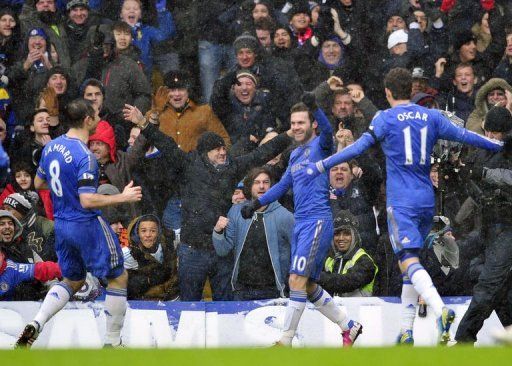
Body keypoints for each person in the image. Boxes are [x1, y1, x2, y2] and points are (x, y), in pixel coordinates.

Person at [299, 68, 505, 344]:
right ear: (410, 90)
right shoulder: (431, 116)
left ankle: (441, 309)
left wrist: (323, 164)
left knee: (407, 259)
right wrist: (496, 144)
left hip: (401, 202)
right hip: (425, 200)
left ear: (387, 92)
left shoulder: (384, 118)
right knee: (410, 264)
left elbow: (358, 148)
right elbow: (466, 136)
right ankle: (406, 330)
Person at [15, 99, 142, 348]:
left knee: (73, 280)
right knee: (119, 276)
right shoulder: (86, 156)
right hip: (85, 224)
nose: (98, 119)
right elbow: (86, 200)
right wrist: (123, 197)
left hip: (61, 224)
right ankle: (113, 344)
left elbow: (39, 184)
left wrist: (65, 190)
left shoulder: (51, 147)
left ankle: (35, 324)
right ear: (87, 120)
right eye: (95, 115)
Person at [241, 95, 362, 347]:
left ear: (312, 124)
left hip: (318, 221)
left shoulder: (322, 145)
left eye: (301, 122)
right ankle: (349, 326)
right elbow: (284, 185)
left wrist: (316, 107)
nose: (296, 127)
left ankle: (285, 341)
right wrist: (255, 204)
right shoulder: (295, 156)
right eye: (293, 123)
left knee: (296, 280)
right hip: (302, 223)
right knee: (307, 286)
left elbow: (328, 129)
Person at [455, 107, 512, 344]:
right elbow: (478, 196)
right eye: (491, 132)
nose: (493, 137)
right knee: (486, 278)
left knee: (488, 284)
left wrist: (481, 173)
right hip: (490, 226)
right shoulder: (480, 152)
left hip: (508, 226)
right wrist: (463, 174)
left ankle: (464, 339)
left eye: (498, 134)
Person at [212, 167, 293, 300]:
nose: (261, 186)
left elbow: (299, 249)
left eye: (266, 182)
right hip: (241, 288)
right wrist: (218, 231)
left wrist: (291, 279)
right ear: (249, 186)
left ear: (273, 187)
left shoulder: (284, 216)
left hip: (273, 290)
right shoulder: (237, 211)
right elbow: (223, 250)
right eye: (257, 182)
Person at [318, 210, 378, 297]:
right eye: (337, 234)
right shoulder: (329, 259)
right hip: (333, 309)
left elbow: (346, 282)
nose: (341, 238)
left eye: (346, 234)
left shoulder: (364, 260)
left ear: (355, 236)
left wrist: (315, 276)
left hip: (358, 309)